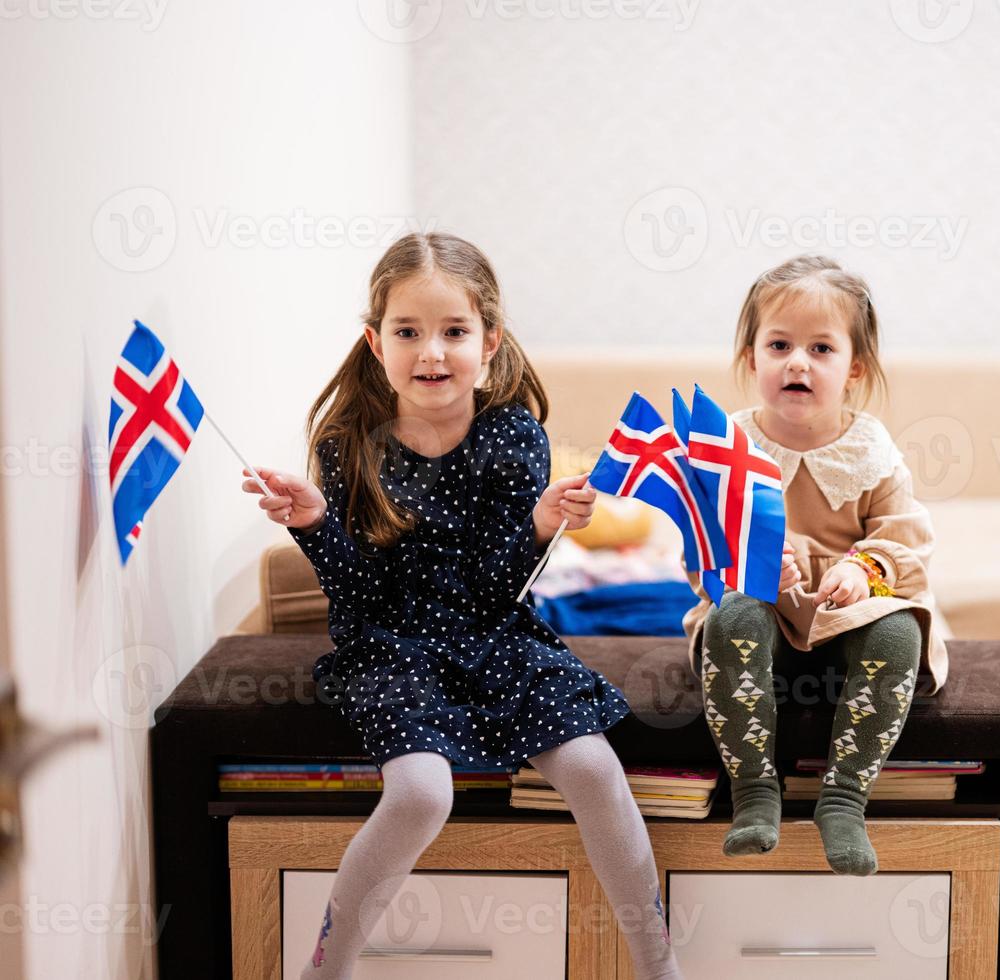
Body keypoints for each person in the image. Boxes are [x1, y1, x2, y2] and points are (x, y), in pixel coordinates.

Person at [244, 232, 682, 979]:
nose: (432, 353)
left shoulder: (513, 437)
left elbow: (489, 590)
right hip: (389, 644)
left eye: (454, 332)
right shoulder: (350, 444)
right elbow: (360, 597)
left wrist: (541, 527)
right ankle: (326, 969)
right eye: (408, 332)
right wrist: (316, 525)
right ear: (375, 341)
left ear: (490, 341)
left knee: (594, 770)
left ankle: (660, 969)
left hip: (493, 636)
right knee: (420, 793)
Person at [684, 254, 950, 875]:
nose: (797, 362)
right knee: (731, 619)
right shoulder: (729, 445)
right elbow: (700, 546)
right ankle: (753, 789)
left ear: (853, 368)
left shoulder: (871, 450)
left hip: (846, 611)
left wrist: (863, 567)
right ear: (752, 359)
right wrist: (746, 568)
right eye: (779, 345)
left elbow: (906, 540)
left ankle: (845, 797)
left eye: (821, 349)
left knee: (897, 630)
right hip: (765, 610)